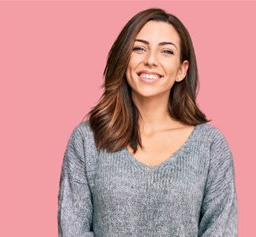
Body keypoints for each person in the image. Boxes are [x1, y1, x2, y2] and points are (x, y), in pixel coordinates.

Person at [57, 7, 238, 237]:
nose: (151, 60)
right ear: (124, 59)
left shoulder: (211, 146)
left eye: (166, 52)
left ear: (182, 70)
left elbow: (220, 230)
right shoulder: (87, 140)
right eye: (139, 48)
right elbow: (73, 230)